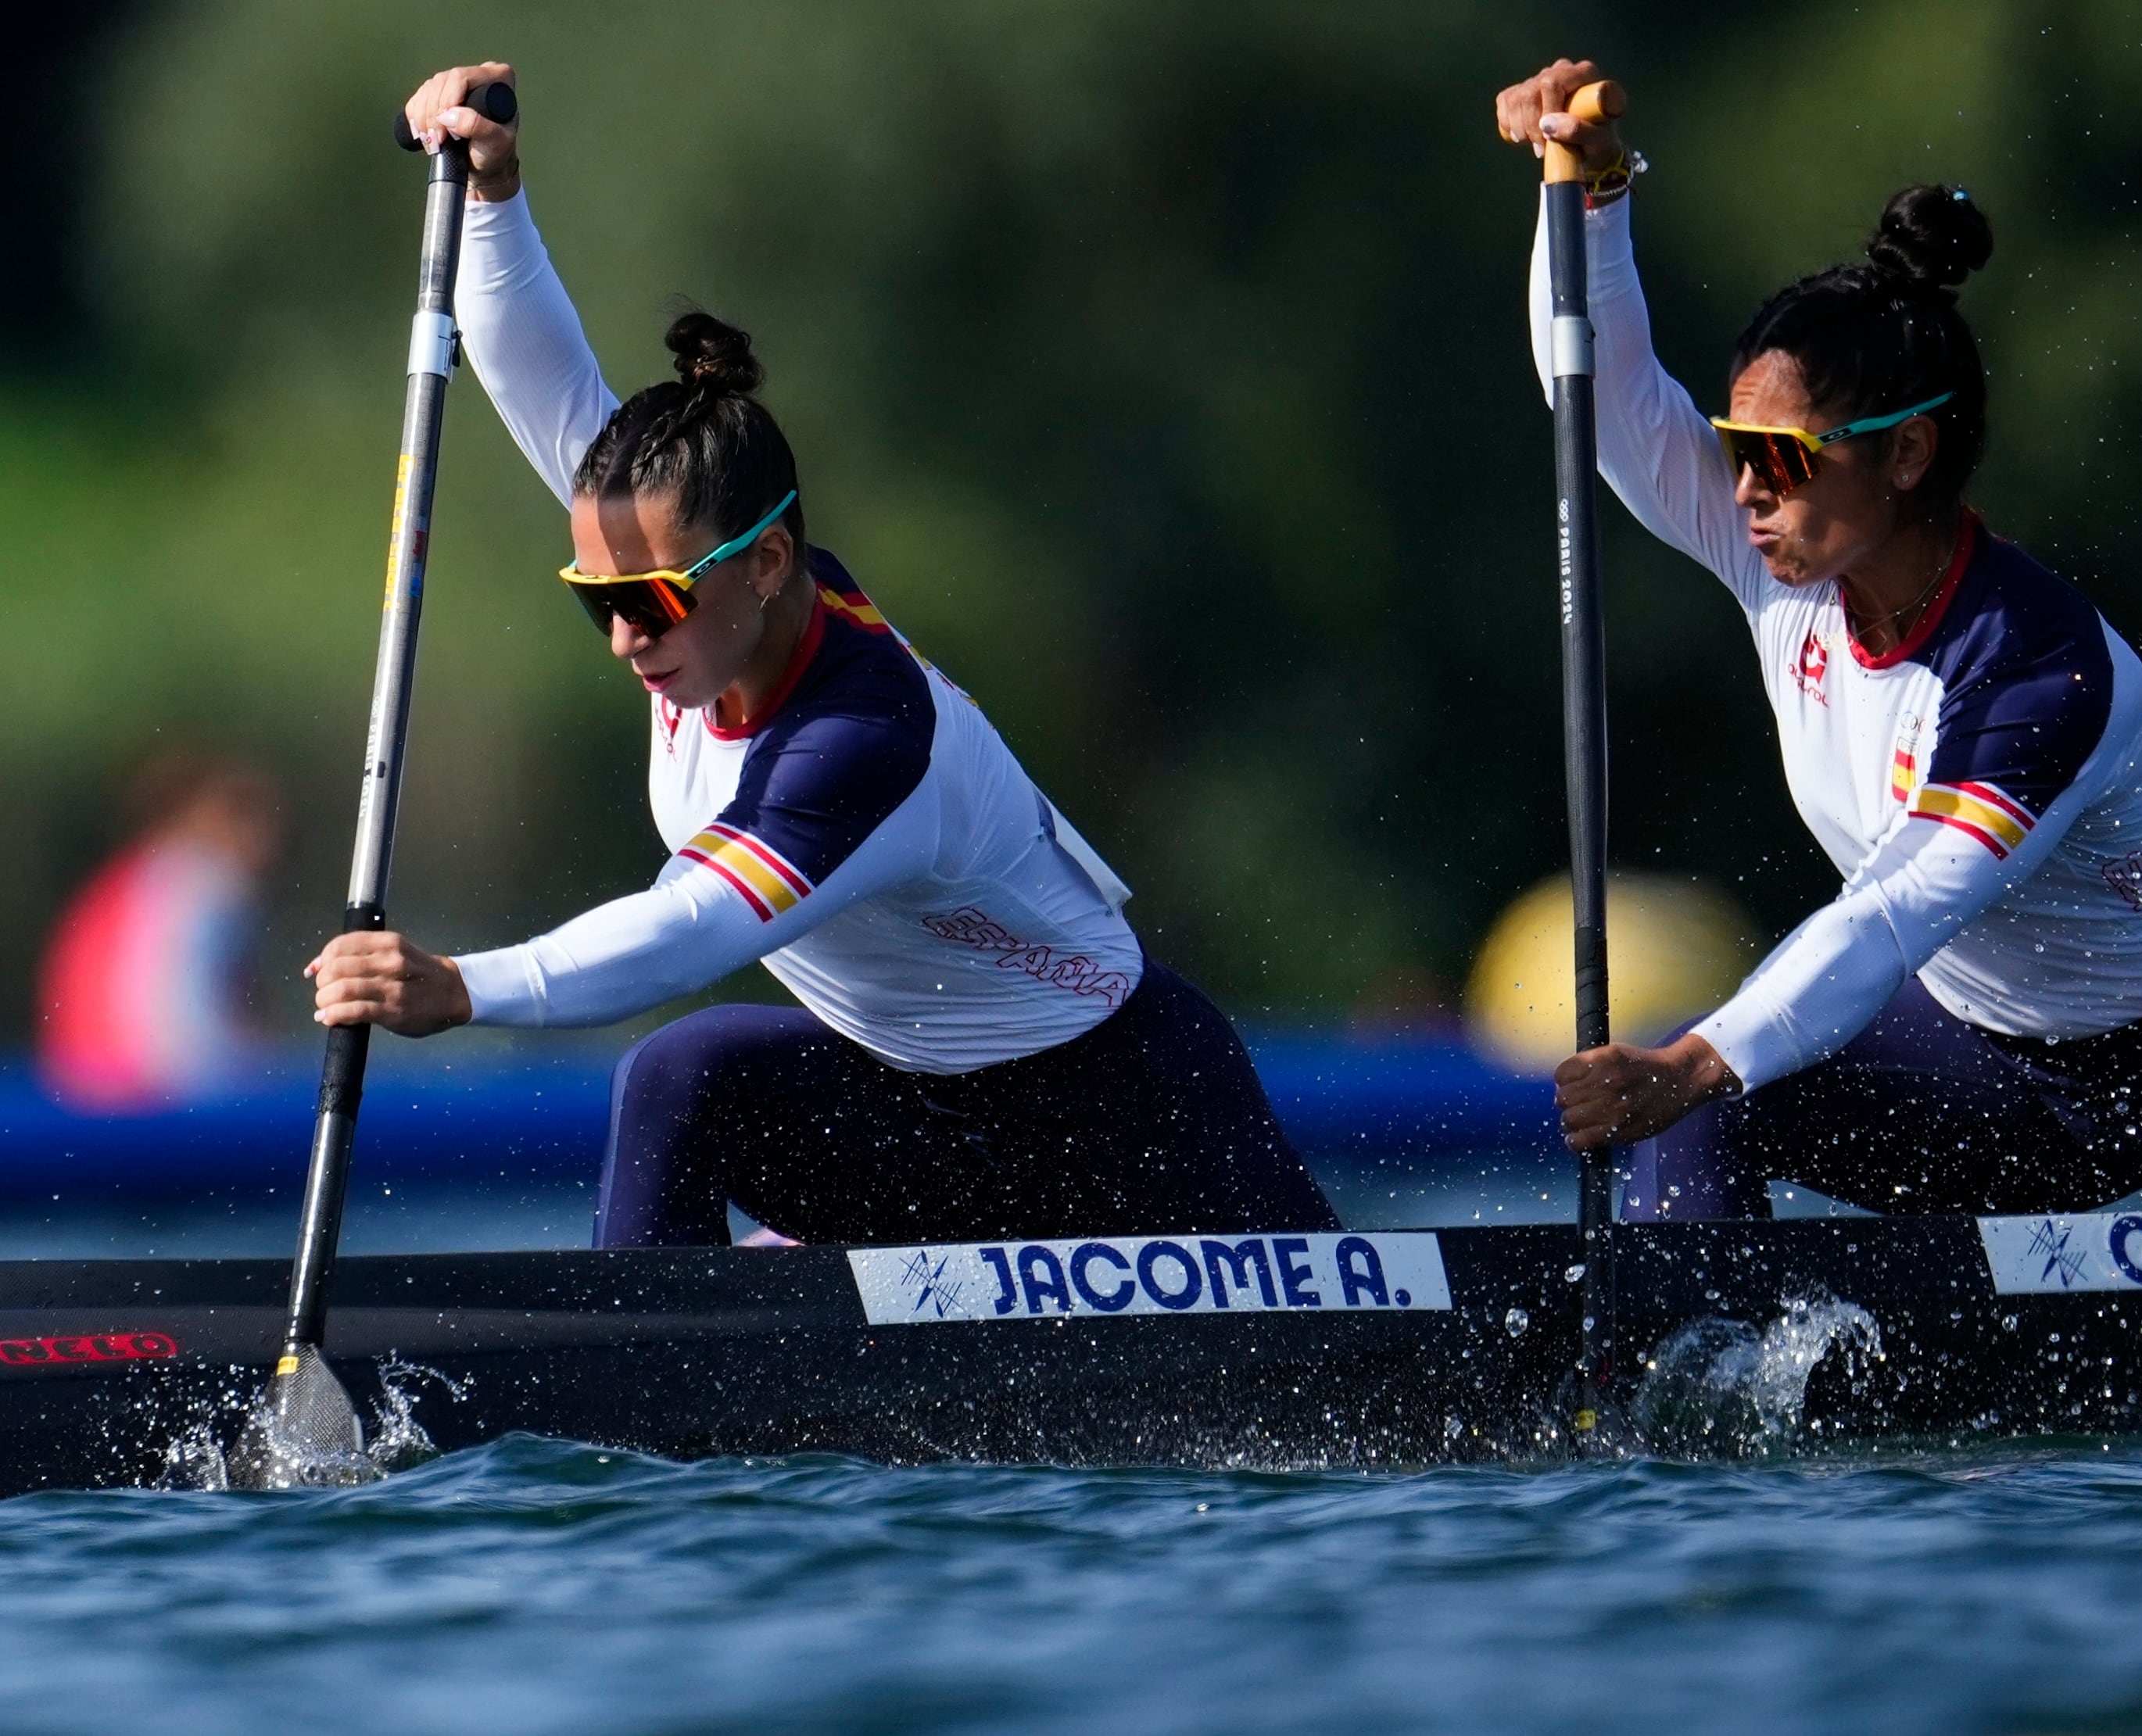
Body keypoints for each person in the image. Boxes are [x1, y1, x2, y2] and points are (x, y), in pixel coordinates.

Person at [306, 63, 1338, 1249]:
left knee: (678, 1055)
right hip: (913, 1109)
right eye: (597, 603)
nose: (628, 635)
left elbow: (694, 929)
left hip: (1125, 1124)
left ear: (766, 562)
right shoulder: (704, 573)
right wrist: (494, 195)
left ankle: (664, 1376)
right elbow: (540, 381)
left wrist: (466, 985)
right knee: (683, 1078)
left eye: (648, 601)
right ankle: (657, 1395)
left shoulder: (860, 735)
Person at [1495, 59, 2142, 1218]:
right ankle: (1690, 1378)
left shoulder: (2041, 666)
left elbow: (1893, 908)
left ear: (1907, 455)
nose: (1748, 489)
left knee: (1699, 1067)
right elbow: (1605, 400)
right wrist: (1591, 199)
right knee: (1712, 1106)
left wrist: (1691, 1061)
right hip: (1989, 1067)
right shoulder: (1783, 554)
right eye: (1740, 449)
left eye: (1786, 456)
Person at [38, 753, 284, 1111]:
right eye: (256, 820)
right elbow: (185, 1037)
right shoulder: (207, 882)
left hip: (81, 1103)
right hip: (149, 1110)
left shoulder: (125, 880)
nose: (269, 840)